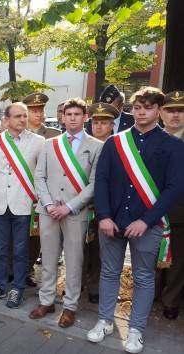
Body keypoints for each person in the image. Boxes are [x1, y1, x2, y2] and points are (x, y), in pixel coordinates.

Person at [87, 87, 184, 353]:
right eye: (137, 107)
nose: (142, 112)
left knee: (143, 277)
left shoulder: (174, 146)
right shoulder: (115, 142)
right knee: (109, 273)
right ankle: (105, 320)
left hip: (147, 225)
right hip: (113, 222)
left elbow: (174, 188)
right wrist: (104, 216)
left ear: (159, 111)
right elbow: (102, 181)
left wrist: (147, 220)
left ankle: (135, 330)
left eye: (149, 107)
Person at [29, 98, 103, 328]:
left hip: (75, 212)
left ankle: (70, 307)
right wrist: (50, 204)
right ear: (62, 117)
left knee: (74, 261)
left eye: (77, 114)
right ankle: (47, 300)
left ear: (85, 117)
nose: (72, 118)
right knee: (49, 259)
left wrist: (69, 206)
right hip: (49, 211)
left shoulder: (96, 146)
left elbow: (94, 183)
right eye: (68, 114)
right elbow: (38, 176)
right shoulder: (50, 144)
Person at [0, 102, 45, 308]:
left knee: (20, 250)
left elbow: (40, 174)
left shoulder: (38, 142)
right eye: (17, 116)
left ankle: (18, 288)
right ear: (6, 120)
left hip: (25, 204)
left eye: (24, 116)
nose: (22, 120)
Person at [22, 92, 62, 287]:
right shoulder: (18, 134)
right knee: (18, 234)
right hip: (21, 192)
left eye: (41, 110)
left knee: (36, 236)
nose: (38, 114)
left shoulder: (54, 136)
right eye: (33, 110)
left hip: (44, 194)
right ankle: (15, 270)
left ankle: (29, 269)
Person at [81, 103, 117, 305]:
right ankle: (77, 284)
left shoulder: (118, 146)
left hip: (105, 210)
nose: (99, 126)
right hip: (82, 206)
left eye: (104, 123)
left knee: (100, 251)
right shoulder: (83, 145)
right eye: (95, 122)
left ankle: (95, 286)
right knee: (78, 249)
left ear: (112, 125)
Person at [158, 91, 184, 320]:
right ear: (161, 113)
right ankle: (152, 295)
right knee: (147, 257)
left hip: (180, 213)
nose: (175, 115)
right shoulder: (150, 137)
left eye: (180, 110)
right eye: (170, 110)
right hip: (148, 213)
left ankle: (171, 300)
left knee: (176, 261)